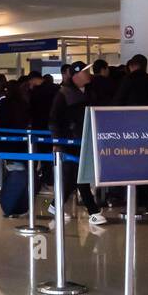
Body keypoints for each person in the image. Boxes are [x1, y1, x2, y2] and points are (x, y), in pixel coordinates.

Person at [48, 62, 106, 225]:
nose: (88, 74)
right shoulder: (63, 94)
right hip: (70, 141)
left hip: (86, 139)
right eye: (85, 72)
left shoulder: (90, 91)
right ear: (76, 75)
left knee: (74, 177)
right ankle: (93, 211)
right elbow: (53, 119)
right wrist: (57, 141)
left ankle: (54, 205)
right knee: (80, 176)